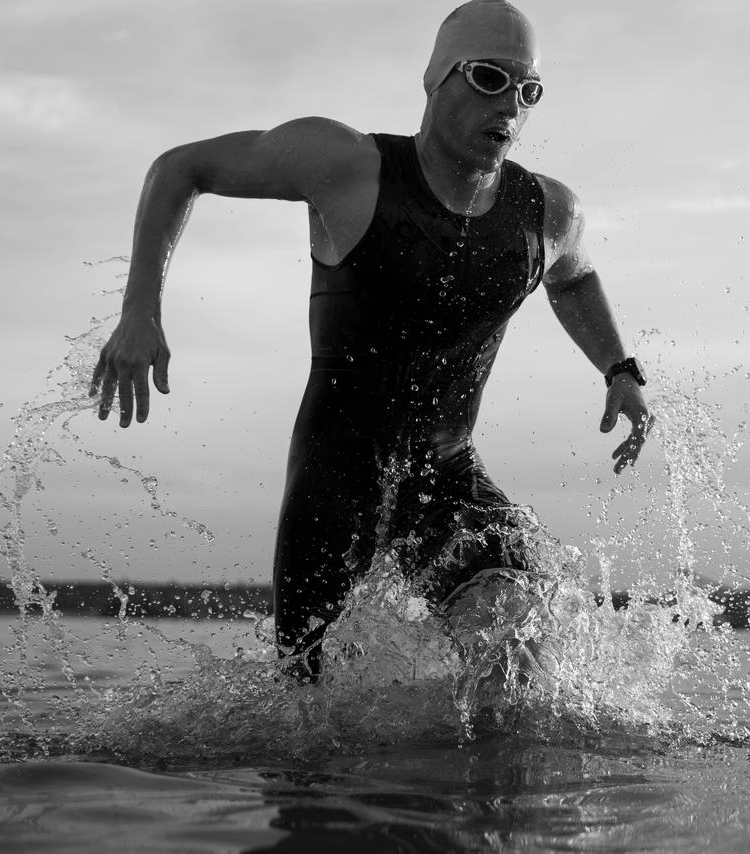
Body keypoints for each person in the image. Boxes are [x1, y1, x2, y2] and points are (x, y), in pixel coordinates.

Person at [89, 0, 653, 676]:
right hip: (337, 476)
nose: (510, 105)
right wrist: (139, 311)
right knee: (307, 700)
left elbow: (575, 277)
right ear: (436, 79)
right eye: (488, 79)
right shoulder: (346, 166)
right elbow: (179, 168)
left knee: (518, 653)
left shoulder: (545, 212)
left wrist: (619, 368)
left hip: (446, 473)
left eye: (528, 90)